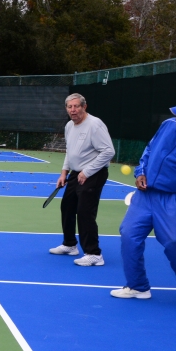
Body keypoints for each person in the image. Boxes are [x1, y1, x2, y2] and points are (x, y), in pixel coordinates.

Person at [111, 97, 176, 306]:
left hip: (172, 200)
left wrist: (175, 186)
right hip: (144, 195)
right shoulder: (168, 125)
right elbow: (149, 150)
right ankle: (137, 286)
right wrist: (141, 172)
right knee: (129, 235)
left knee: (173, 242)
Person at [48, 93, 115, 266]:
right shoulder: (69, 126)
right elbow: (70, 153)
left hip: (94, 174)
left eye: (76, 106)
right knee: (67, 207)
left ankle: (94, 254)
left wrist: (87, 171)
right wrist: (64, 172)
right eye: (70, 107)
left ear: (84, 107)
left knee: (85, 212)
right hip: (75, 174)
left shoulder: (95, 124)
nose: (73, 110)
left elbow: (108, 152)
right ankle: (70, 245)